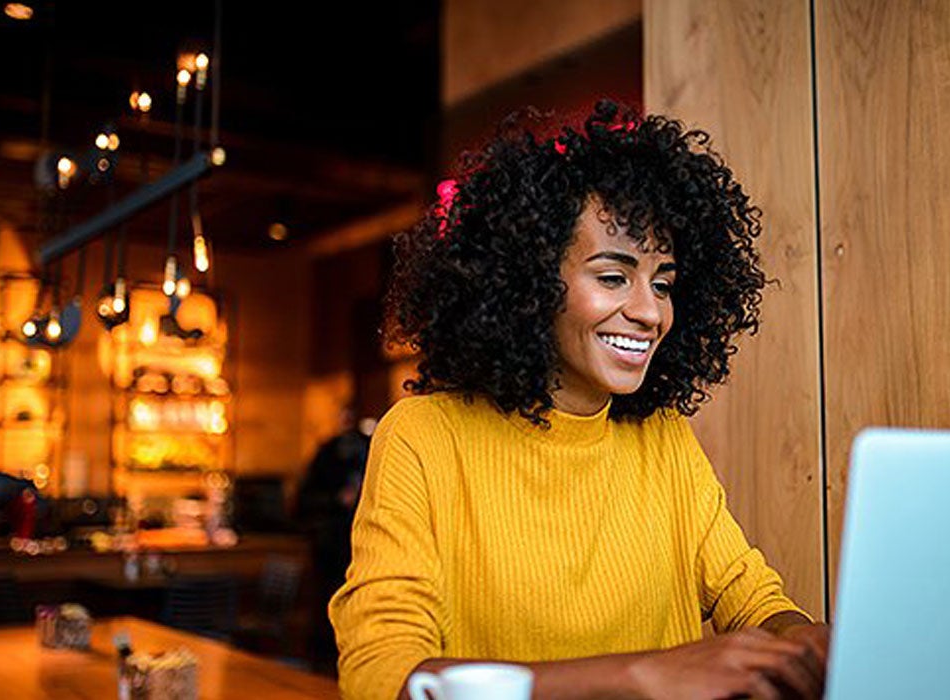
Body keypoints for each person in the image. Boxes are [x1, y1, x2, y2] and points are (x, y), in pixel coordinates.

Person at [329, 100, 830, 700]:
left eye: (663, 284)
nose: (649, 312)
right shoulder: (423, 436)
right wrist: (636, 676)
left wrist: (808, 640)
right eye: (613, 277)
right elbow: (380, 676)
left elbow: (752, 597)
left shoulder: (662, 435)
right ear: (530, 282)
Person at [298, 403, 372, 673]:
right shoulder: (327, 452)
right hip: (331, 546)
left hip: (364, 548)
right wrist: (337, 500)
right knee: (328, 608)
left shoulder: (372, 446)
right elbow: (303, 502)